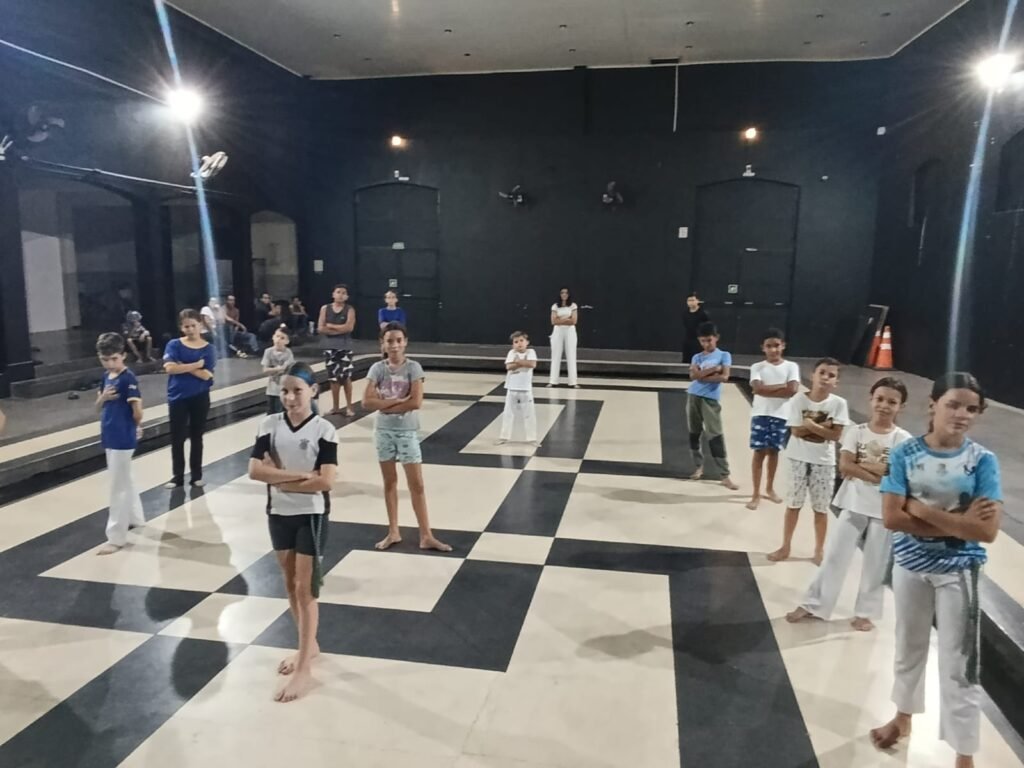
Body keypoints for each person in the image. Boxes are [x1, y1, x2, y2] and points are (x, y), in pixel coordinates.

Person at [870, 373, 1002, 768]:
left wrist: (920, 509)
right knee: (908, 646)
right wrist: (959, 521)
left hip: (958, 571)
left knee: (959, 663)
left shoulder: (982, 461)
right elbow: (892, 518)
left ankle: (964, 753)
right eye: (953, 404)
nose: (962, 414)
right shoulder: (904, 454)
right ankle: (903, 717)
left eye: (971, 408)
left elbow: (986, 531)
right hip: (909, 566)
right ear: (933, 404)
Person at [786, 377, 912, 631]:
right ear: (871, 399)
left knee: (876, 563)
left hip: (884, 509)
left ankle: (865, 612)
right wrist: (879, 473)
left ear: (901, 406)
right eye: (880, 399)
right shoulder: (857, 431)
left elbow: (898, 475)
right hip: (853, 503)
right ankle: (815, 604)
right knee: (834, 555)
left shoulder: (903, 439)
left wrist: (862, 467)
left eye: (892, 402)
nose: (884, 406)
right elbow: (845, 466)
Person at [248, 361, 337, 703]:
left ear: (313, 391)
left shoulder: (324, 430)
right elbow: (255, 471)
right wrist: (298, 477)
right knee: (289, 583)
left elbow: (326, 481)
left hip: (311, 515)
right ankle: (308, 645)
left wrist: (278, 478)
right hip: (278, 513)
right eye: (284, 391)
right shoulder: (269, 425)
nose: (289, 397)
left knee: (305, 589)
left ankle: (304, 668)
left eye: (297, 391)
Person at [363, 322, 451, 552]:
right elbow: (366, 402)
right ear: (382, 343)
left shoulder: (413, 368)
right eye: (389, 341)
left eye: (398, 340)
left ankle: (426, 535)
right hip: (383, 431)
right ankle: (393, 531)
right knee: (389, 482)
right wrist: (396, 402)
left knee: (417, 484)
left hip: (407, 431)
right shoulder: (377, 369)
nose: (394, 345)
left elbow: (416, 402)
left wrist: (384, 405)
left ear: (405, 342)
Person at [767, 358, 850, 564]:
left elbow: (836, 435)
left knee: (820, 508)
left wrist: (810, 424)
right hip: (797, 458)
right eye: (822, 372)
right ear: (813, 375)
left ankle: (819, 550)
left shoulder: (839, 404)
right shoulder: (798, 400)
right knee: (793, 505)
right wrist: (824, 426)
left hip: (824, 461)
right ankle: (785, 546)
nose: (825, 378)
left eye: (831, 375)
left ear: (836, 382)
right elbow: (795, 431)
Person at [95, 333, 145, 555]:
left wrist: (137, 426)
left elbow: (137, 409)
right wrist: (103, 397)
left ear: (123, 355)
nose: (110, 364)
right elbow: (97, 406)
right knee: (126, 478)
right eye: (105, 359)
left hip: (123, 435)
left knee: (118, 487)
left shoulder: (128, 379)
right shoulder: (106, 377)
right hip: (110, 432)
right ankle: (136, 517)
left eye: (114, 358)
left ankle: (116, 537)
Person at [746, 329, 800, 510]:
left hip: (781, 415)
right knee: (759, 453)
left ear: (783, 345)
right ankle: (755, 493)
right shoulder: (757, 367)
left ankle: (769, 488)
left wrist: (767, 389)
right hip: (760, 414)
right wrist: (782, 386)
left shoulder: (791, 366)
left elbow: (792, 390)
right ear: (763, 348)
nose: (773, 350)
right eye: (769, 346)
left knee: (774, 452)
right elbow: (757, 389)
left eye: (776, 345)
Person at [163, 309, 216, 489]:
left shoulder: (209, 349)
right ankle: (177, 476)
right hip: (177, 396)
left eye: (193, 325)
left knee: (196, 436)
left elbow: (206, 375)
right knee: (177, 437)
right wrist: (196, 365)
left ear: (200, 325)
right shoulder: (174, 345)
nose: (191, 329)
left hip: (199, 396)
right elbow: (170, 369)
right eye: (187, 327)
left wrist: (182, 365)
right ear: (181, 328)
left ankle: (196, 475)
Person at [687, 322, 739, 489]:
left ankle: (724, 475)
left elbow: (724, 377)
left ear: (716, 338)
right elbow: (692, 377)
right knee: (694, 432)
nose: (706, 344)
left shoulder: (724, 355)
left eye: (709, 340)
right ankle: (698, 467)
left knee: (715, 434)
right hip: (693, 396)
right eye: (703, 341)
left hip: (710, 399)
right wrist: (713, 370)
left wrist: (701, 375)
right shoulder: (697, 357)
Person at [318, 284, 357, 416]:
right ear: (333, 294)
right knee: (333, 378)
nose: (340, 295)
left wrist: (331, 327)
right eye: (338, 292)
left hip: (345, 347)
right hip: (330, 347)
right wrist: (340, 329)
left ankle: (349, 407)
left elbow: (349, 327)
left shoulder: (349, 309)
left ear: (347, 296)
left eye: (343, 293)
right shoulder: (325, 308)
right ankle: (335, 407)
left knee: (346, 377)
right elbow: (321, 328)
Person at [498, 331, 539, 446]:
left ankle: (532, 438)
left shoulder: (531, 352)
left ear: (527, 342)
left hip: (526, 388)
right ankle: (504, 437)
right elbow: (509, 366)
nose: (519, 344)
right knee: (508, 413)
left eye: (521, 341)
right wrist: (523, 362)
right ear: (513, 344)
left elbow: (532, 364)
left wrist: (518, 361)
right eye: (516, 342)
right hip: (512, 387)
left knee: (529, 414)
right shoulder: (511, 353)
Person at [548, 286, 578, 388]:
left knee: (571, 355)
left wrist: (560, 319)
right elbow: (553, 321)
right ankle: (553, 381)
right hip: (557, 331)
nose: (564, 294)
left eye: (566, 293)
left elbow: (574, 321)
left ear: (569, 294)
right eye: (562, 292)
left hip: (570, 331)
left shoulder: (573, 305)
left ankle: (573, 382)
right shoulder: (555, 306)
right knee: (555, 355)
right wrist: (566, 319)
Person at [262, 328, 296, 415]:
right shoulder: (268, 351)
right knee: (271, 413)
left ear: (287, 341)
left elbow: (286, 368)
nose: (278, 340)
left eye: (282, 338)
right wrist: (278, 369)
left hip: (284, 390)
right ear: (273, 337)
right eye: (277, 336)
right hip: (271, 389)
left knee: (282, 413)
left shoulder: (288, 353)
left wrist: (274, 370)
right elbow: (265, 370)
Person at [682, 293, 710, 364]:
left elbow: (707, 326)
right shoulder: (685, 313)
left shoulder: (703, 313)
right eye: (689, 300)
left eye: (693, 300)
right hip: (688, 338)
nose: (691, 302)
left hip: (699, 339)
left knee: (698, 359)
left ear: (697, 301)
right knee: (686, 358)